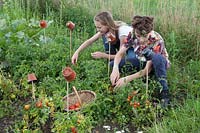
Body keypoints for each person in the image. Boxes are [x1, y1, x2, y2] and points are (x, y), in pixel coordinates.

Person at [110, 15, 170, 108]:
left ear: (150, 32)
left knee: (157, 58)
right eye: (138, 36)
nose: (141, 40)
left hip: (156, 65)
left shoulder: (157, 40)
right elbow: (120, 53)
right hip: (141, 60)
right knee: (113, 64)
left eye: (145, 36)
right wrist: (115, 68)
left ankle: (165, 93)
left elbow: (147, 70)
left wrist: (127, 79)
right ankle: (118, 81)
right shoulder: (133, 34)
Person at [71, 11, 135, 71]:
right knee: (106, 35)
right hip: (122, 49)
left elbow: (122, 55)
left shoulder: (123, 32)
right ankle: (112, 58)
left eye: (99, 27)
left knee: (125, 62)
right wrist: (77, 52)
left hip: (133, 49)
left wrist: (103, 55)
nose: (97, 30)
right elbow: (89, 41)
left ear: (107, 24)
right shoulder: (107, 30)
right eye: (96, 27)